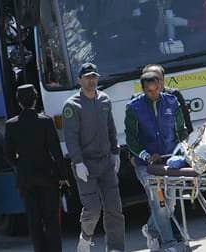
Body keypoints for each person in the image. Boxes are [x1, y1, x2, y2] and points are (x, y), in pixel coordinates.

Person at [62, 63, 125, 252]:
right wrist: (78, 162)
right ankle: (86, 237)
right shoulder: (72, 105)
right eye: (88, 77)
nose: (92, 80)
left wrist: (116, 152)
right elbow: (70, 137)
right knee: (93, 209)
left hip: (106, 162)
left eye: (94, 76)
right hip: (85, 165)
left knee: (114, 209)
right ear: (79, 80)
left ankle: (115, 248)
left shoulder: (104, 99)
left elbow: (111, 128)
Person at [125, 72, 188, 251]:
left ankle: (151, 230)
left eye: (156, 89)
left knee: (170, 203)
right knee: (159, 203)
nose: (153, 93)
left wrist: (183, 149)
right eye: (149, 91)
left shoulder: (172, 102)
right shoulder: (133, 107)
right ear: (143, 89)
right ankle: (169, 244)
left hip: (169, 161)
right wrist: (146, 156)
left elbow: (181, 130)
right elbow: (131, 139)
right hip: (146, 165)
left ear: (160, 86)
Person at [5, 84, 69, 252]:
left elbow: (9, 155)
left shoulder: (11, 125)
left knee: (34, 220)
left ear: (19, 102)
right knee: (51, 220)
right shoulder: (45, 121)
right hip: (48, 176)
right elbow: (56, 151)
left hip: (26, 178)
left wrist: (20, 165)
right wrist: (63, 176)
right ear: (35, 99)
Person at [142, 64, 193, 134]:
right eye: (151, 80)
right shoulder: (136, 102)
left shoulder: (174, 95)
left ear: (163, 80)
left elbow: (187, 124)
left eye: (158, 79)